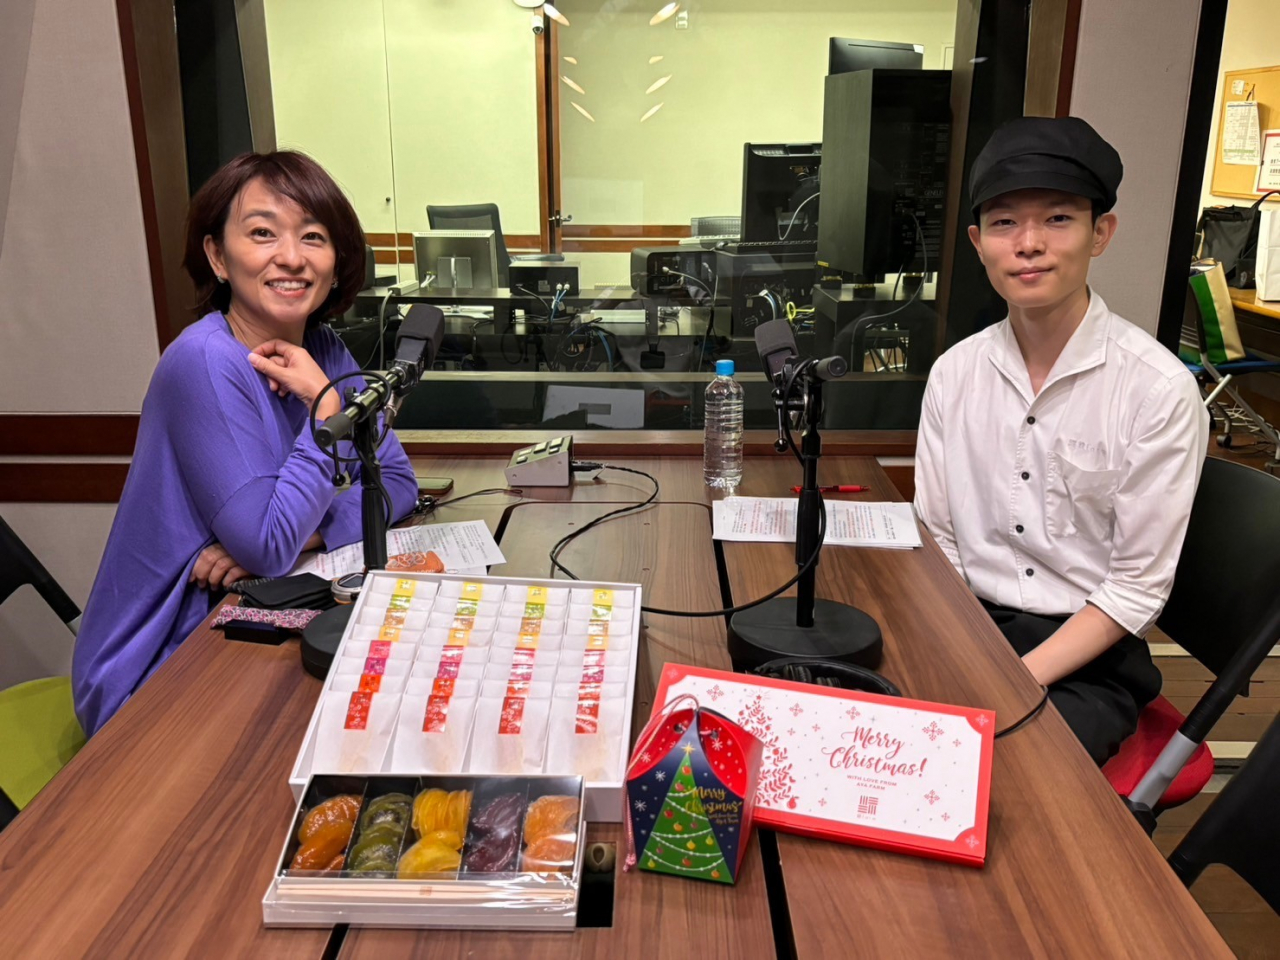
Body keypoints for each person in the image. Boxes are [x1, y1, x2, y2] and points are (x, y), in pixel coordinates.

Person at [72, 151, 418, 736]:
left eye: (313, 236)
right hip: (161, 665)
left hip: (254, 615)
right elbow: (267, 546)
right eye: (262, 233)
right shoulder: (203, 362)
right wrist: (324, 411)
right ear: (218, 256)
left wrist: (309, 531)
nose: (291, 257)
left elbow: (398, 483)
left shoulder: (324, 349)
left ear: (337, 262)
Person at [914, 117, 1209, 765]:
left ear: (1100, 233)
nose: (1029, 244)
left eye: (1057, 219)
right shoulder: (954, 375)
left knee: (997, 776)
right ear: (977, 242)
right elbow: (940, 539)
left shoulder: (1156, 390)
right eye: (1004, 223)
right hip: (971, 624)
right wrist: (958, 652)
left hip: (1088, 656)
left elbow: (1135, 587)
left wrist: (1009, 682)